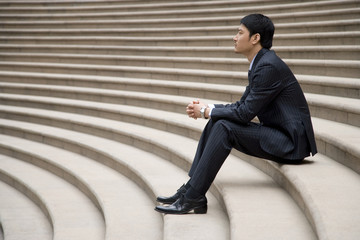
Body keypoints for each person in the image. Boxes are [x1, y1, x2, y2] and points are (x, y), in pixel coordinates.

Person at [155, 14, 317, 215]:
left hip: (290, 143)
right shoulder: (261, 63)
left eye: (240, 32)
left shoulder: (268, 66)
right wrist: (209, 109)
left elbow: (244, 114)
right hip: (278, 133)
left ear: (255, 38)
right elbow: (242, 106)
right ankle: (191, 191)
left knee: (223, 125)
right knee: (219, 121)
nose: (234, 37)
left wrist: (206, 111)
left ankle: (193, 196)